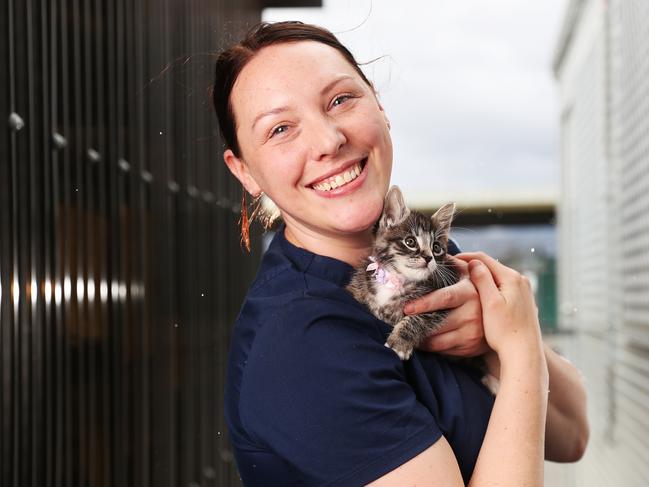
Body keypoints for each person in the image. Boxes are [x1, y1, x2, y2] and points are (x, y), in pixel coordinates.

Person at [214, 21, 588, 486]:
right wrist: (514, 343)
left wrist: (505, 342)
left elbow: (572, 436)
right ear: (245, 171)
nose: (329, 140)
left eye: (340, 100)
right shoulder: (303, 342)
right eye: (281, 129)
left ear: (379, 104)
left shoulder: (418, 252)